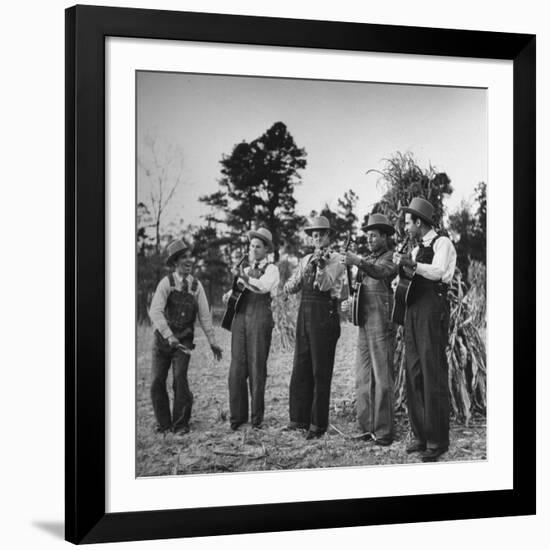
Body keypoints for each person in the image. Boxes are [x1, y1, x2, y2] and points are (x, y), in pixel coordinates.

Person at [392, 197, 457, 462]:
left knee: (433, 374)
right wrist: (400, 274)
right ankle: (420, 436)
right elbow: (407, 279)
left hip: (432, 311)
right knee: (414, 372)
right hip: (413, 311)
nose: (406, 227)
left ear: (419, 222)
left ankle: (437, 441)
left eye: (408, 222)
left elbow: (440, 272)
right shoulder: (416, 249)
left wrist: (413, 266)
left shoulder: (443, 243)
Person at [149, 240, 223, 435]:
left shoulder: (197, 287)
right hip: (162, 341)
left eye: (190, 257)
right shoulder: (166, 283)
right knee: (157, 381)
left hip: (184, 342)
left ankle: (181, 424)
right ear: (175, 262)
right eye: (184, 257)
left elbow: (205, 317)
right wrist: (169, 335)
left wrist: (213, 342)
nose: (189, 261)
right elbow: (155, 312)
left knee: (179, 379)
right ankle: (164, 424)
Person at [283, 216, 345, 440]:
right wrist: (289, 284)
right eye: (314, 235)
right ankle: (298, 418)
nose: (317, 238)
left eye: (321, 234)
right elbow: (293, 285)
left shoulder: (336, 259)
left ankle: (318, 424)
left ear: (329, 235)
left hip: (324, 315)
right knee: (301, 364)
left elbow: (326, 284)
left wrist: (320, 267)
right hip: (304, 314)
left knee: (321, 369)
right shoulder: (306, 258)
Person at [343, 213, 398, 446]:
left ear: (385, 237)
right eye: (367, 236)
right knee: (362, 376)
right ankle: (366, 427)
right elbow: (357, 291)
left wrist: (357, 262)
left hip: (382, 323)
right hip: (365, 323)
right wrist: (349, 304)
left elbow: (382, 273)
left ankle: (384, 431)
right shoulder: (366, 260)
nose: (369, 240)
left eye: (374, 236)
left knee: (382, 377)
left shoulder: (391, 258)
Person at [223, 228, 280, 430]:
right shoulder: (245, 270)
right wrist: (228, 294)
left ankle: (256, 419)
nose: (253, 250)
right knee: (237, 368)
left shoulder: (272, 270)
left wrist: (244, 279)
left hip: (260, 319)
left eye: (258, 246)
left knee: (257, 368)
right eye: (251, 246)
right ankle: (237, 418)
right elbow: (238, 290)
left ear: (266, 249)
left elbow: (262, 287)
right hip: (240, 320)